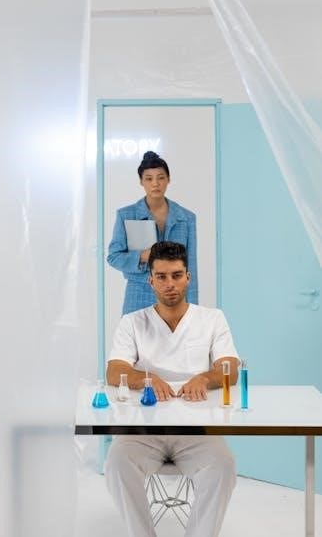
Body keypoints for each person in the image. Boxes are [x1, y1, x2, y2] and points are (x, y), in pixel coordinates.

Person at [105, 241, 239, 537]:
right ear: (150, 280)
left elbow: (230, 368)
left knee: (223, 465)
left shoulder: (212, 319)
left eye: (177, 275)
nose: (170, 284)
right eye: (162, 276)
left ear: (188, 277)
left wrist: (204, 378)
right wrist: (147, 379)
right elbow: (114, 371)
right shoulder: (133, 322)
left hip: (197, 429)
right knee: (116, 463)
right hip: (142, 429)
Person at [107, 151, 198, 315]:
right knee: (135, 333)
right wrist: (142, 256)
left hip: (174, 296)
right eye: (149, 178)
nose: (155, 183)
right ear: (141, 181)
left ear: (168, 179)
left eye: (161, 178)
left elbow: (191, 266)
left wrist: (193, 309)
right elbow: (113, 257)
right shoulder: (126, 215)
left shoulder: (186, 218)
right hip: (138, 296)